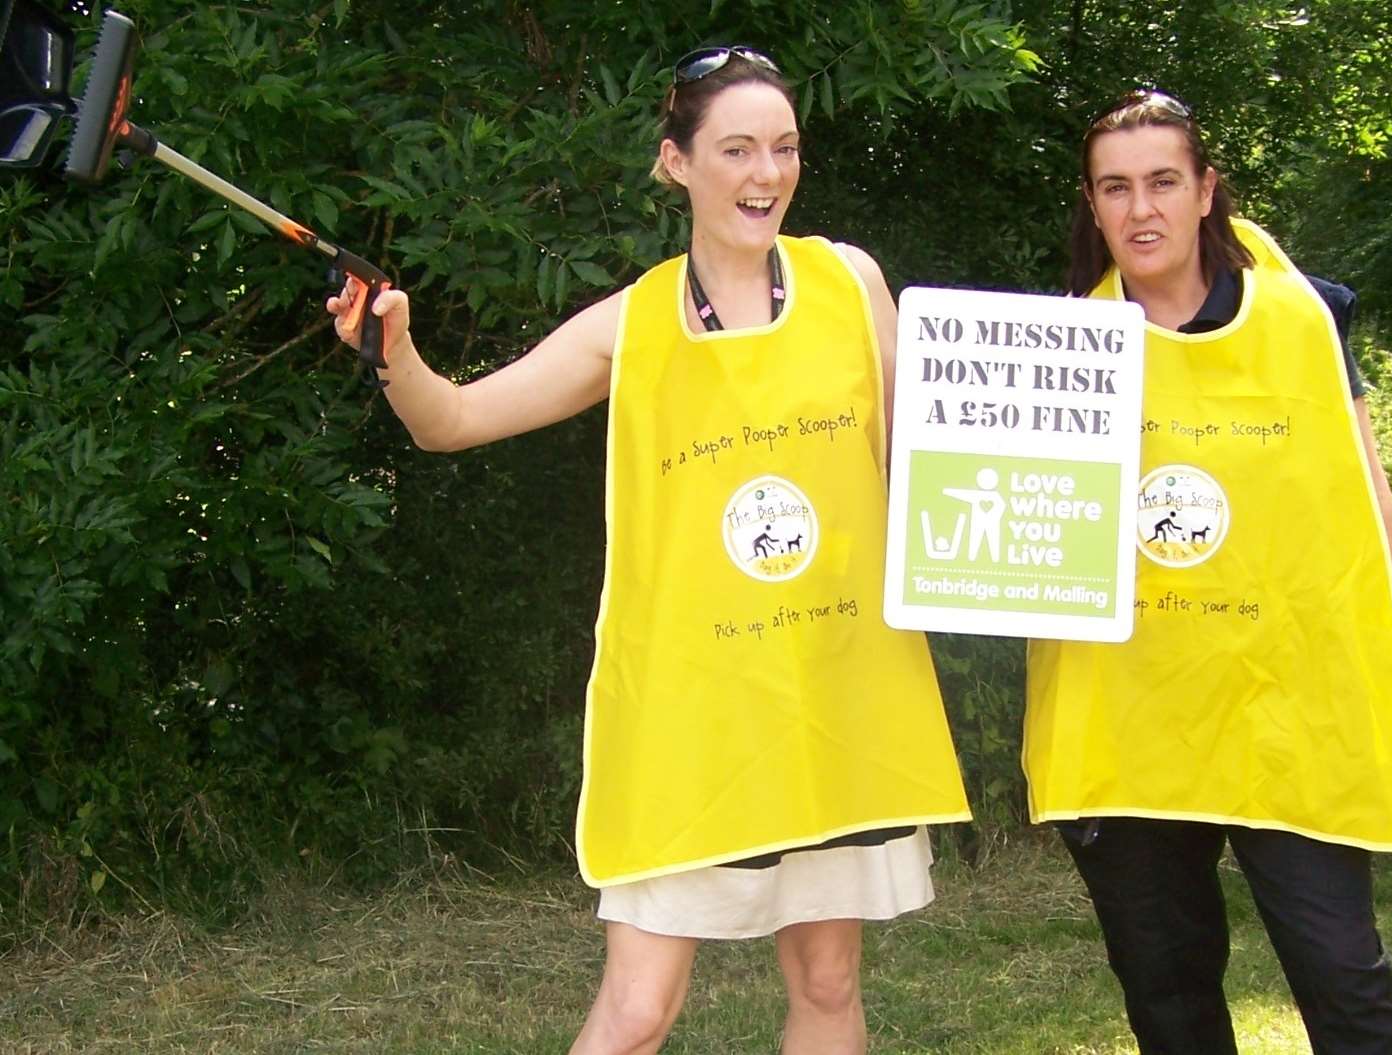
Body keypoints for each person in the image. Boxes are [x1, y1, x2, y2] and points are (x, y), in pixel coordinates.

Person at [327, 46, 970, 1055]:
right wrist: (394, 352)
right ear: (677, 163)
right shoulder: (631, 323)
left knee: (830, 982)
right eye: (738, 150)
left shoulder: (853, 285)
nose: (767, 175)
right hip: (696, 714)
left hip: (838, 696)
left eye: (786, 148)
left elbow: (938, 468)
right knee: (636, 1011)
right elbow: (448, 421)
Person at [1022, 89, 1392, 1054]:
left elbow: (1366, 501)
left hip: (1281, 711)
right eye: (1115, 188)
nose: (1142, 210)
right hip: (1131, 725)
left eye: (1164, 181)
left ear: (1207, 190)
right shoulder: (1051, 355)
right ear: (1093, 207)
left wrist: (1389, 657)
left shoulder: (1306, 319)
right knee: (1168, 1003)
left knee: (1348, 986)